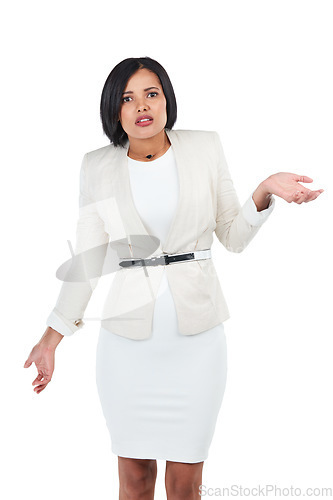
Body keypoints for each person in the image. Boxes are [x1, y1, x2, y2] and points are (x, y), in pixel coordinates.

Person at [23, 56, 324, 500]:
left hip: (197, 345)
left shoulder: (204, 147)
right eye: (128, 98)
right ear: (115, 109)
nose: (141, 105)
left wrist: (262, 191)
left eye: (151, 93)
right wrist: (50, 339)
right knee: (135, 480)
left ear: (166, 98)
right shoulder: (97, 166)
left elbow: (233, 238)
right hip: (126, 349)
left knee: (185, 485)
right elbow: (87, 262)